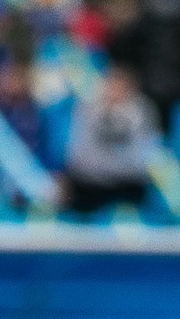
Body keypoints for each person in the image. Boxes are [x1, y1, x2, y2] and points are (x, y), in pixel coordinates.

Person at [61, 63, 157, 215]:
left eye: (120, 84)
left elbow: (144, 156)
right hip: (91, 183)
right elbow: (78, 155)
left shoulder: (142, 110)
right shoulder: (86, 108)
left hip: (128, 184)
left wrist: (115, 168)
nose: (114, 89)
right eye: (111, 83)